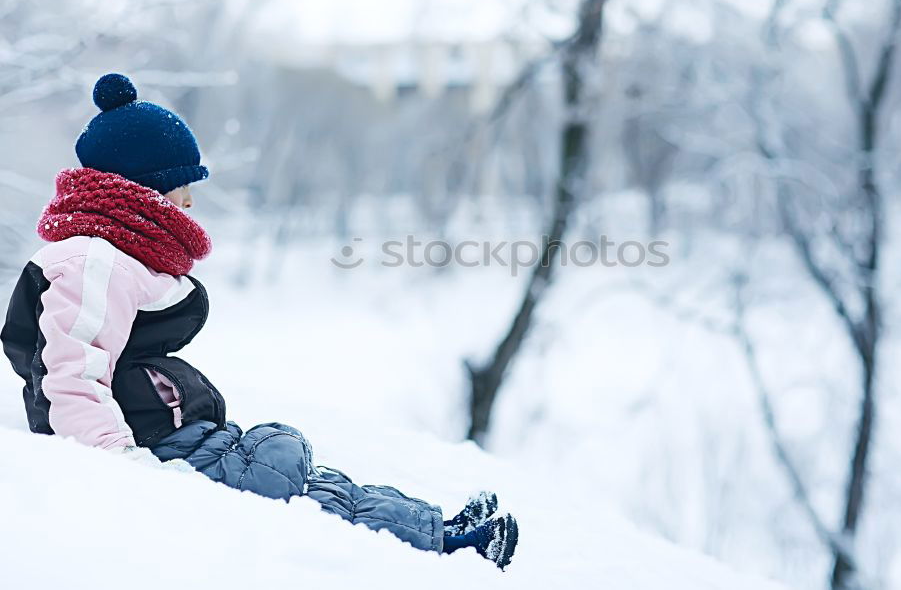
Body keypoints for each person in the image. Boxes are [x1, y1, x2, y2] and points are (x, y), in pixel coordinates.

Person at [0, 73, 518, 570]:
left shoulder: (112, 256)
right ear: (146, 185)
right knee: (288, 489)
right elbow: (73, 375)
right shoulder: (93, 261)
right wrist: (124, 466)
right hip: (144, 444)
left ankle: (435, 528)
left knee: (300, 479)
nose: (190, 199)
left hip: (167, 430)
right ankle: (442, 548)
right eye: (182, 183)